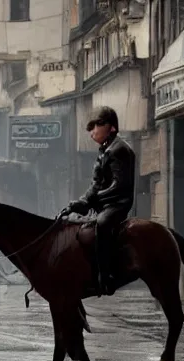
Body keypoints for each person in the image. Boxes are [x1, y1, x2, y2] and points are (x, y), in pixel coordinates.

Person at [60, 106, 136, 297]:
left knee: (101, 225)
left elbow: (120, 185)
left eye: (97, 126)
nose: (93, 131)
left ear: (111, 127)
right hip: (106, 203)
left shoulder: (119, 149)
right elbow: (96, 185)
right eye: (91, 127)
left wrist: (95, 199)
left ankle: (106, 276)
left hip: (118, 203)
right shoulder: (103, 151)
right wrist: (81, 202)